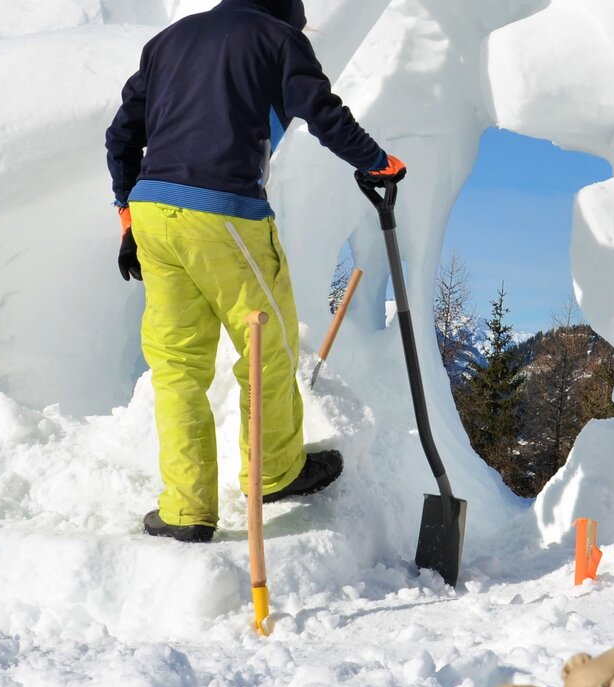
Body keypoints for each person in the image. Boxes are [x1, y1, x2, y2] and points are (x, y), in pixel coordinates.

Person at [106, 0, 407, 543]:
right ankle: (273, 474)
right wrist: (377, 161)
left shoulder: (167, 43)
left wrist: (128, 215)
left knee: (177, 364)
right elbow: (322, 110)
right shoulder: (278, 39)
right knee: (268, 345)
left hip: (153, 212)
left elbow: (121, 136)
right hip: (223, 212)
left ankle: (186, 511)